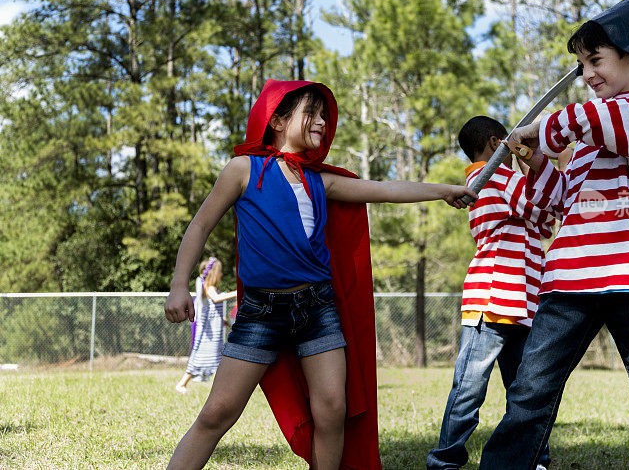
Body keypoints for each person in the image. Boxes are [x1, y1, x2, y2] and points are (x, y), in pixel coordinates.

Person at [163, 78, 476, 470]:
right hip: (261, 313)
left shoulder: (319, 180)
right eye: (311, 113)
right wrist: (179, 286)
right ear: (276, 120)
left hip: (317, 309)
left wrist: (443, 190)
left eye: (324, 116)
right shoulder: (243, 169)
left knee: (332, 409)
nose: (322, 122)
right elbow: (199, 226)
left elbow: (383, 188)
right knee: (217, 413)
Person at [478, 0, 629, 469]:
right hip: (570, 279)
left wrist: (543, 131)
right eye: (581, 67)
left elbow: (597, 118)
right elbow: (554, 206)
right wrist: (535, 162)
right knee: (529, 397)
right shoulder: (588, 139)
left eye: (595, 61)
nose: (588, 75)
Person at [426, 116, 555, 470]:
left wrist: (536, 175)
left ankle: (533, 461)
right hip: (494, 297)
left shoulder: (506, 183)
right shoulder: (491, 175)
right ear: (500, 143)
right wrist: (539, 163)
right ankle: (444, 462)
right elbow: (542, 207)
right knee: (469, 389)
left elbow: (544, 222)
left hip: (524, 303)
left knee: (526, 392)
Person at [175, 257, 237, 393]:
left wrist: (222, 321)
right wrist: (238, 292)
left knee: (215, 357)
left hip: (214, 329)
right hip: (209, 333)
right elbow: (216, 299)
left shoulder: (210, 287)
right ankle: (182, 383)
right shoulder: (208, 287)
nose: (221, 275)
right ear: (214, 273)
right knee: (201, 356)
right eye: (220, 272)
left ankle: (221, 387)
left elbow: (212, 310)